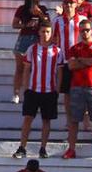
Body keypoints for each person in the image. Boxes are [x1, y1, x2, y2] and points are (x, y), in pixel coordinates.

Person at [15, 21, 63, 161]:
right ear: (39, 32)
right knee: (28, 119)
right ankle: (22, 147)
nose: (45, 34)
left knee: (46, 120)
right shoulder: (32, 49)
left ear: (51, 33)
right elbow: (27, 69)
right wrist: (26, 87)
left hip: (50, 91)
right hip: (33, 90)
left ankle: (43, 148)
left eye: (48, 31)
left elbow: (59, 72)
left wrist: (57, 90)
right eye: (43, 31)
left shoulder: (57, 51)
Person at [64, 20, 92, 160]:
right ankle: (71, 149)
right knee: (73, 120)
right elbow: (71, 66)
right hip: (77, 86)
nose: (85, 32)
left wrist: (80, 60)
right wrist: (89, 60)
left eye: (87, 30)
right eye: (82, 30)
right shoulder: (74, 48)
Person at [11, 0, 50, 103]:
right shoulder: (22, 9)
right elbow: (14, 24)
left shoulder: (43, 8)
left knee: (35, 68)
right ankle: (16, 93)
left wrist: (40, 14)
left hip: (37, 39)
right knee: (20, 67)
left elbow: (48, 23)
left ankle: (30, 92)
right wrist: (25, 25)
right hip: (24, 38)